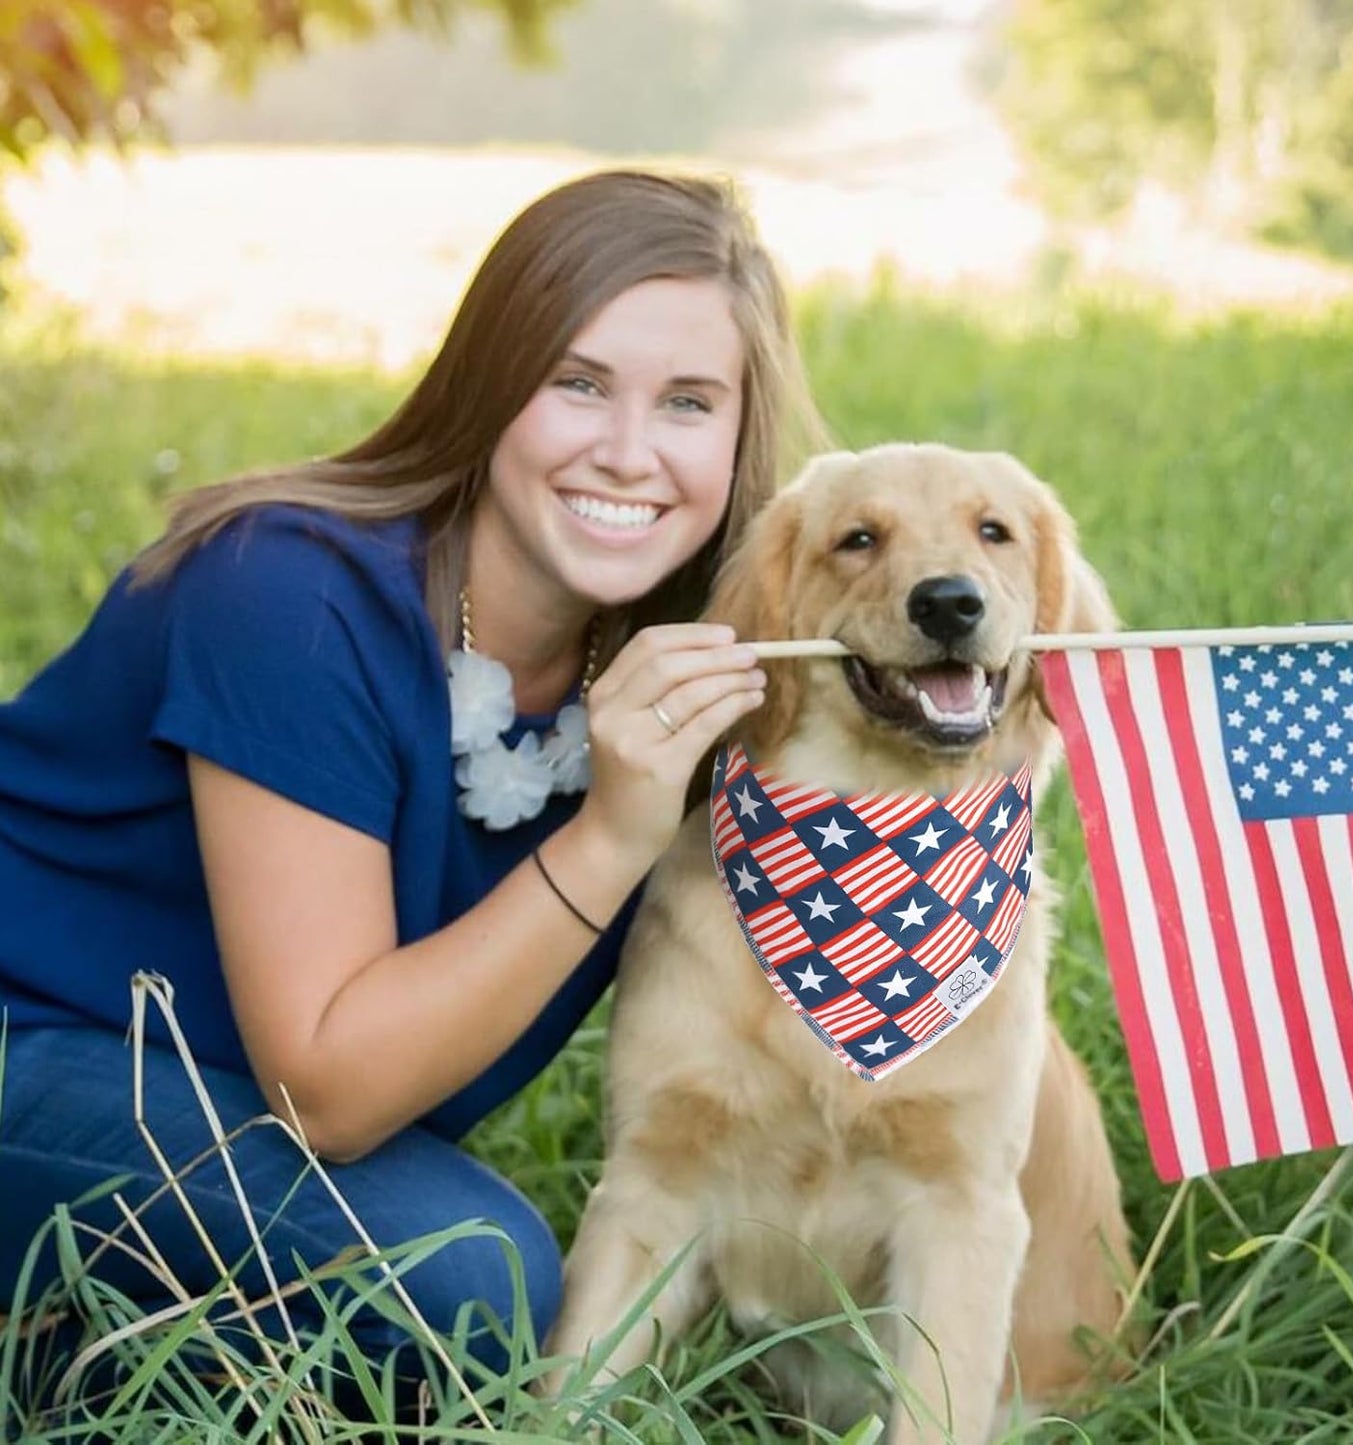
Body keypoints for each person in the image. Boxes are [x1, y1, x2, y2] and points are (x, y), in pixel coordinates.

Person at [0, 168, 822, 1409]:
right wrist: (608, 835)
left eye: (689, 403)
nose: (627, 451)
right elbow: (326, 1090)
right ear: (492, 382)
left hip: (202, 1107)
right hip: (29, 1036)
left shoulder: (669, 679)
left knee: (433, 1265)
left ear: (738, 435)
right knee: (468, 1276)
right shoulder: (288, 594)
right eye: (578, 381)